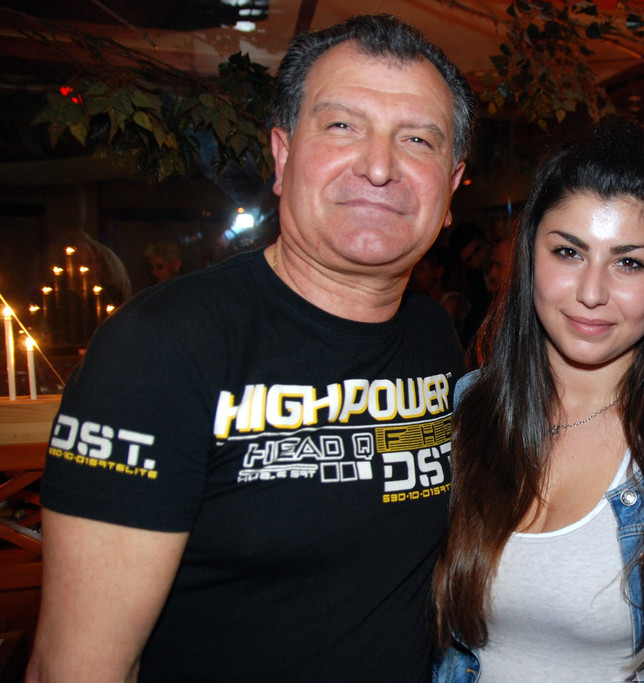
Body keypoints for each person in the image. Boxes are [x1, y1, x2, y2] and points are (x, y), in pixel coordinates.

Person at [28, 14, 475, 681]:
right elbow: (78, 667)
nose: (380, 166)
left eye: (417, 139)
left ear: (452, 186)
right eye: (342, 125)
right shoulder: (160, 349)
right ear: (282, 156)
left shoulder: (433, 336)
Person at [433, 115, 644, 682]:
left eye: (628, 262)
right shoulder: (470, 409)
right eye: (568, 253)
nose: (592, 292)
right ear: (529, 255)